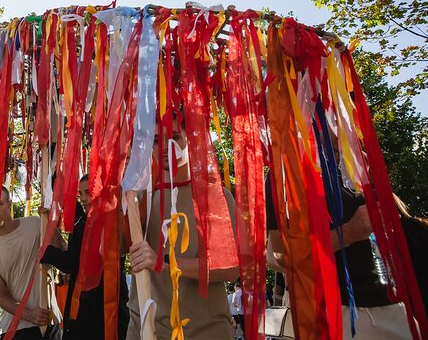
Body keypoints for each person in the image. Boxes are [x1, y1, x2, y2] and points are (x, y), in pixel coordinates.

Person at [127, 126, 239, 339]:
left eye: (175, 137)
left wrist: (166, 263)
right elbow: (115, 249)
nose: (167, 147)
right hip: (146, 330)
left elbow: (230, 270)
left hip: (206, 331)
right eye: (158, 140)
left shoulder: (216, 197)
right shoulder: (139, 199)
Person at [266, 179, 412, 339]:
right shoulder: (286, 168)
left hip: (394, 305)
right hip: (338, 312)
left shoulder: (358, 162)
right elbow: (281, 256)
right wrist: (348, 231)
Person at [41, 175, 130, 339]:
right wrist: (51, 222)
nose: (82, 198)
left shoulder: (109, 220)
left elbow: (79, 262)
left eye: (88, 193)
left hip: (105, 306)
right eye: (79, 194)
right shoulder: (83, 221)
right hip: (82, 309)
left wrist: (49, 255)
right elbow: (69, 251)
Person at [0, 185, 64, 340]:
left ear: (9, 204)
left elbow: (62, 251)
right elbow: (1, 296)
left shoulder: (36, 224)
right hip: (15, 329)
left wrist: (50, 221)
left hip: (51, 323)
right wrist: (30, 314)